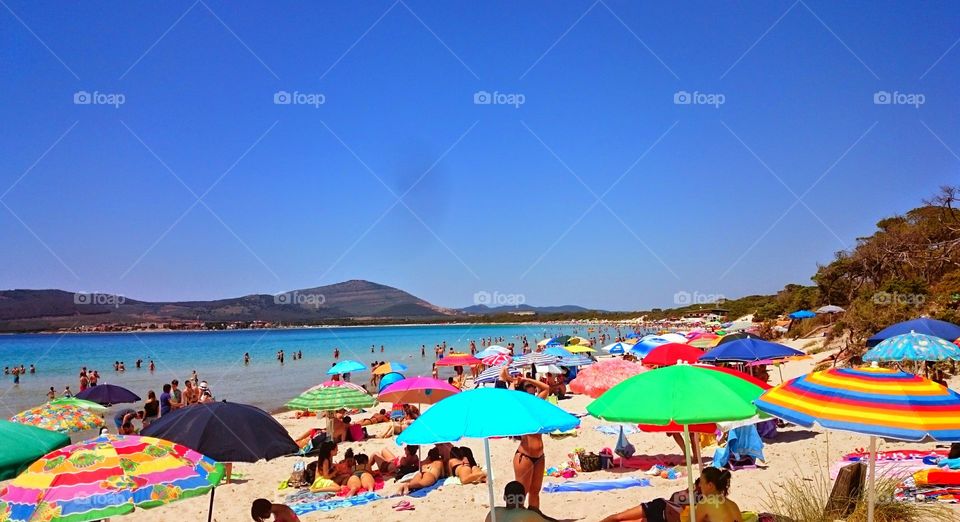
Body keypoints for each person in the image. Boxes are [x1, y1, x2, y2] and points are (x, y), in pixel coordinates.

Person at [502, 367, 551, 517]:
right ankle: (518, 518)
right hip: (525, 457)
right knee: (520, 495)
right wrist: (514, 381)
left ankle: (534, 517)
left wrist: (527, 379)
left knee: (535, 492)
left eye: (533, 388)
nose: (533, 390)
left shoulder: (536, 404)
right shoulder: (519, 410)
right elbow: (509, 395)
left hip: (539, 456)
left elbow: (546, 387)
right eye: (529, 388)